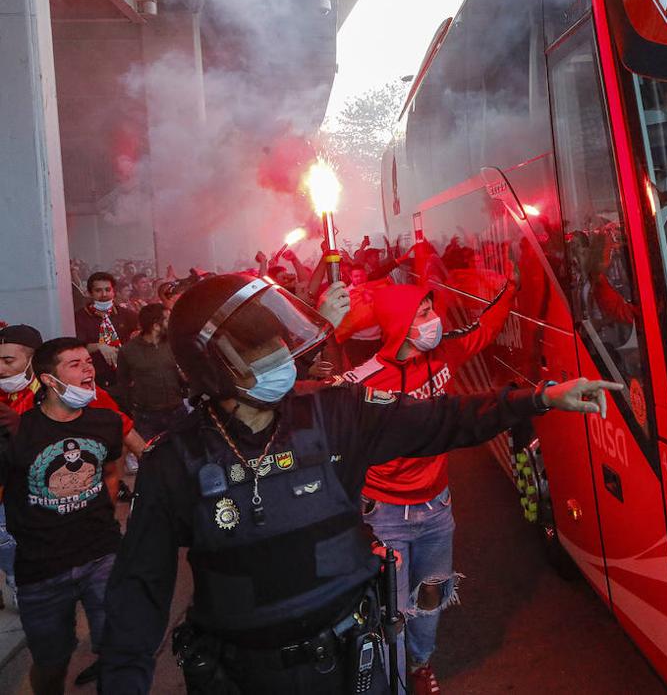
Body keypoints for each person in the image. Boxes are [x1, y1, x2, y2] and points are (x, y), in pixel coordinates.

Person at [98, 274, 616, 694]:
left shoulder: (334, 413)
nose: (279, 354)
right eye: (256, 348)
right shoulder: (175, 463)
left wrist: (540, 398)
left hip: (353, 660)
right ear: (212, 368)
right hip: (244, 676)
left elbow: (445, 419)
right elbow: (138, 592)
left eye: (277, 340)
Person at [352, 271, 517, 693]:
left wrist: (513, 285)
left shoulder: (445, 353)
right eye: (423, 313)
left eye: (431, 310)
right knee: (391, 608)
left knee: (431, 593)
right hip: (385, 516)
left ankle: (420, 664)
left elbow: (485, 328)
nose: (434, 320)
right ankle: (393, 680)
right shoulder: (364, 382)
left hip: (437, 509)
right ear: (399, 325)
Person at [1, 338, 127, 692]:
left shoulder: (106, 422)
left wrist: (101, 512)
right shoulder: (18, 432)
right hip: (42, 568)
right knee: (51, 664)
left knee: (119, 647)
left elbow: (111, 472)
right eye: (74, 364)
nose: (88, 369)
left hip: (102, 555)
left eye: (88, 361)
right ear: (48, 379)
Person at [0, 324, 45, 608]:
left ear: (33, 360)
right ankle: (15, 578)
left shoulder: (55, 395)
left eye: (8, 361)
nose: (1, 369)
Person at [115, 304, 188, 442]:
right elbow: (123, 383)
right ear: (155, 326)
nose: (171, 323)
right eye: (167, 320)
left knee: (186, 450)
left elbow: (185, 374)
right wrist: (134, 408)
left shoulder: (174, 343)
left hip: (177, 411)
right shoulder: (128, 350)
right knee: (152, 453)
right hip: (147, 417)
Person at [73, 272, 136, 392]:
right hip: (96, 380)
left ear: (114, 291)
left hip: (126, 377)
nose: (104, 294)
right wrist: (99, 346)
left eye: (108, 290)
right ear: (90, 293)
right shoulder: (80, 317)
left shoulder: (127, 315)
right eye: (98, 290)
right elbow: (76, 348)